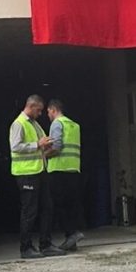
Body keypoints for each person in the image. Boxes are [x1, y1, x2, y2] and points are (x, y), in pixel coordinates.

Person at [9, 95, 62, 259]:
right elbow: (15, 146)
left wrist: (47, 144)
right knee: (29, 211)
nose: (40, 113)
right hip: (26, 173)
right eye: (38, 110)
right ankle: (25, 248)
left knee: (47, 207)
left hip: (39, 171)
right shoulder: (19, 124)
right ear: (31, 107)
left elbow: (41, 142)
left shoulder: (35, 124)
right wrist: (38, 144)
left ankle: (45, 244)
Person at [46, 99, 85, 251]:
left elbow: (56, 146)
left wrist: (42, 155)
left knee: (58, 205)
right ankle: (72, 240)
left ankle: (71, 234)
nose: (48, 115)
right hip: (73, 169)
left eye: (48, 112)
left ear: (53, 109)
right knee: (71, 205)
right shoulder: (74, 125)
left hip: (58, 169)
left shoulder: (57, 124)